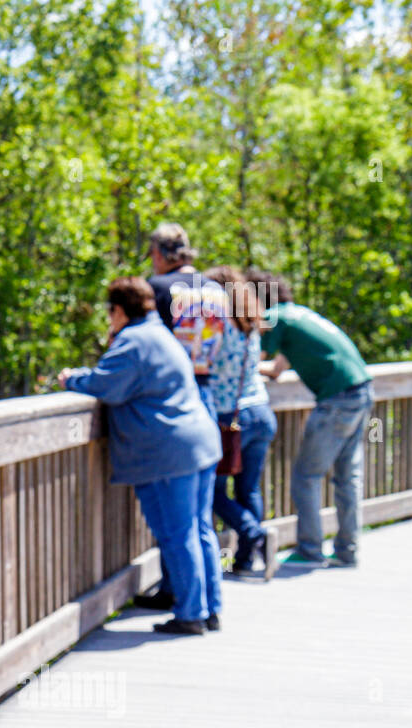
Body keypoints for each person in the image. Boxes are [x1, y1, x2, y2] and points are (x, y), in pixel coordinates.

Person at [59, 277, 223, 634]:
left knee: (177, 533)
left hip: (169, 452)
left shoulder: (133, 342)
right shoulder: (162, 333)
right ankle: (209, 609)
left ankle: (191, 614)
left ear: (118, 310)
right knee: (198, 528)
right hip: (200, 441)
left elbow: (105, 385)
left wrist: (72, 378)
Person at [135, 223, 230, 613]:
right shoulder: (216, 291)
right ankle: (207, 602)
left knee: (176, 517)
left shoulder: (157, 290)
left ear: (158, 253)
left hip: (171, 401)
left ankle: (183, 599)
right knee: (199, 517)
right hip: (205, 395)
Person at [251, 271, 373, 567]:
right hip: (362, 391)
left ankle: (309, 550)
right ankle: (347, 551)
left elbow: (252, 358)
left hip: (336, 400)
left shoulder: (275, 316)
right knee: (346, 478)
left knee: (306, 476)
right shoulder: (299, 315)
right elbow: (277, 368)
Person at [203, 266, 276, 574]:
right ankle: (245, 560)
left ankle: (254, 534)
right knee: (249, 490)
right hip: (261, 411)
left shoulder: (218, 322)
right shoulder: (250, 322)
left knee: (213, 493)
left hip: (228, 417)